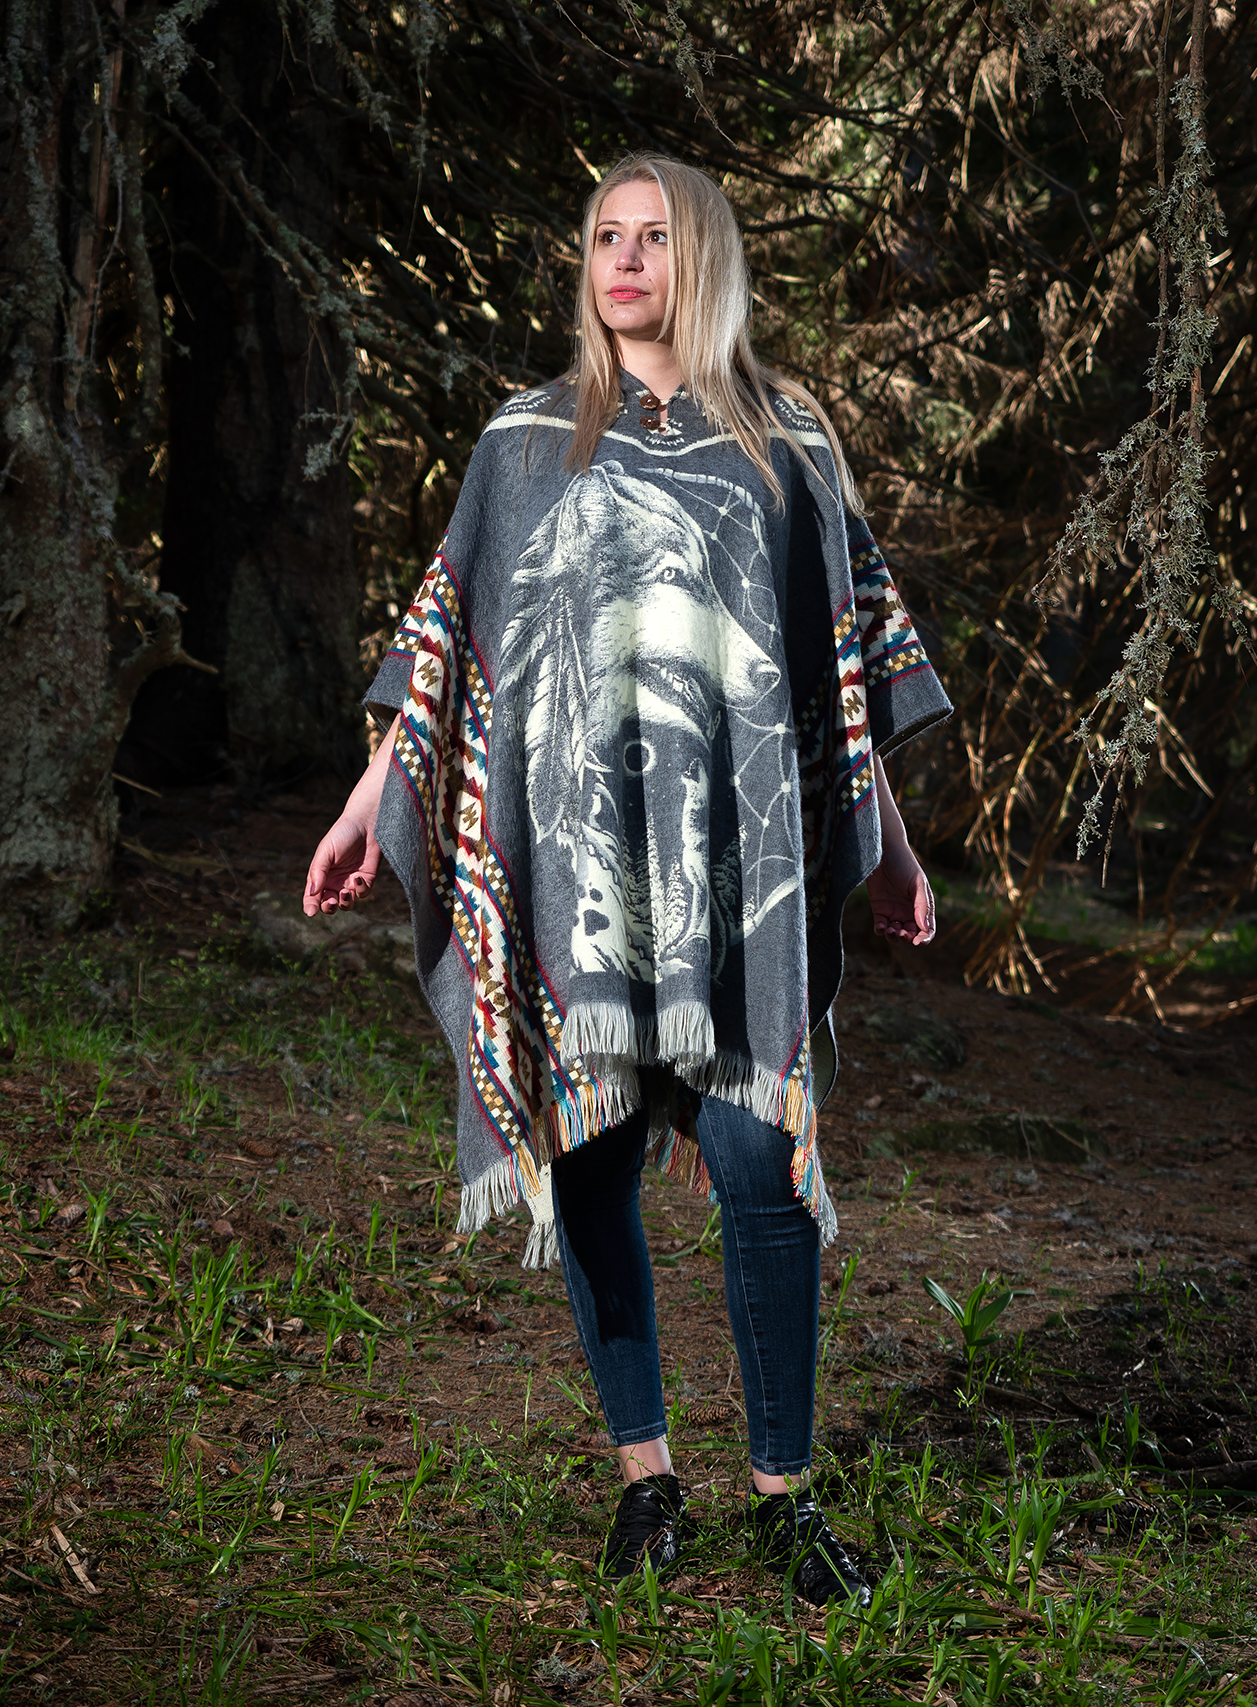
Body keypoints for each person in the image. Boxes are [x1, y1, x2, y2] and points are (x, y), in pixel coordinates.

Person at [304, 153, 950, 1604]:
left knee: (757, 1165)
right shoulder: (527, 442)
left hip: (739, 872)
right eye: (606, 234)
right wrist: (366, 807)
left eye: (655, 236)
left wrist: (889, 842)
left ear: (702, 256)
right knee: (590, 1155)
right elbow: (450, 651)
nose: (626, 259)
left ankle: (784, 1495)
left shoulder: (789, 443)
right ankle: (646, 1480)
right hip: (575, 859)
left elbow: (835, 678)